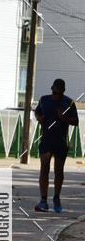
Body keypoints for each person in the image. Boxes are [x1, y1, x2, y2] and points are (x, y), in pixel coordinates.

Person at [34, 79, 78, 213]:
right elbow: (37, 112)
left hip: (61, 141)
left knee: (58, 171)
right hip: (46, 139)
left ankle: (56, 198)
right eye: (54, 92)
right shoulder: (44, 100)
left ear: (63, 91)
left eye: (58, 93)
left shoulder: (69, 103)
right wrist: (39, 117)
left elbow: (76, 122)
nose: (55, 95)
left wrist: (63, 118)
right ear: (51, 88)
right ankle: (43, 200)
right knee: (44, 168)